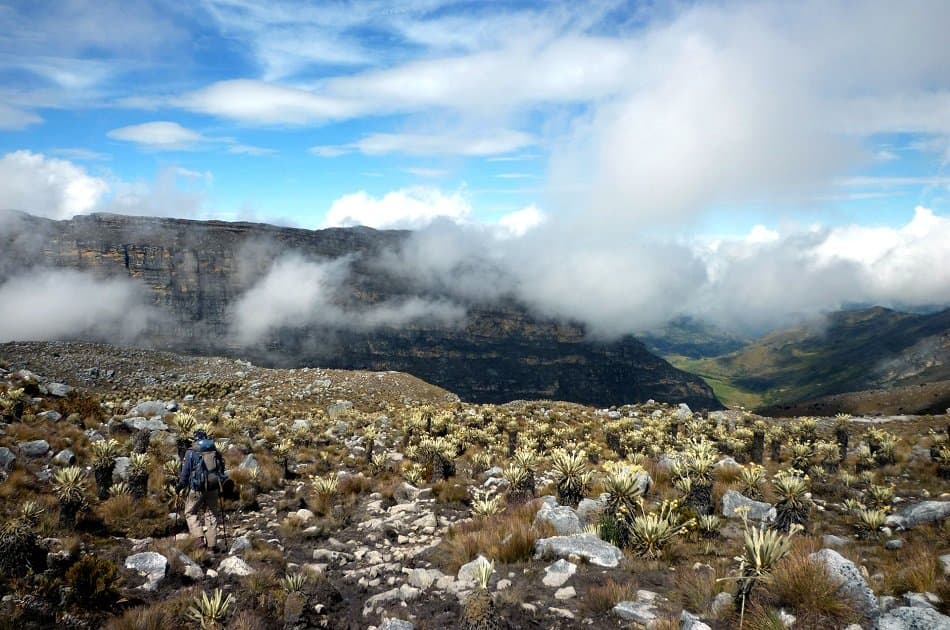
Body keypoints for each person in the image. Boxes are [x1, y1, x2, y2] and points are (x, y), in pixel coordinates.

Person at [177, 429, 226, 551]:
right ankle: (212, 546)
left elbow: (185, 472)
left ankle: (199, 539)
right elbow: (221, 467)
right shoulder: (214, 449)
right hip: (213, 487)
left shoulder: (191, 451)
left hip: (196, 488)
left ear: (195, 438)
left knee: (190, 512)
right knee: (211, 514)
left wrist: (180, 485)